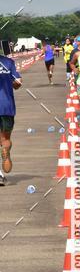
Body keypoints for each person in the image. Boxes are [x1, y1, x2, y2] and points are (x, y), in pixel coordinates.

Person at [0, 52, 22, 186]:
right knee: (5, 139)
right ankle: (5, 150)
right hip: (6, 106)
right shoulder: (8, 62)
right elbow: (17, 83)